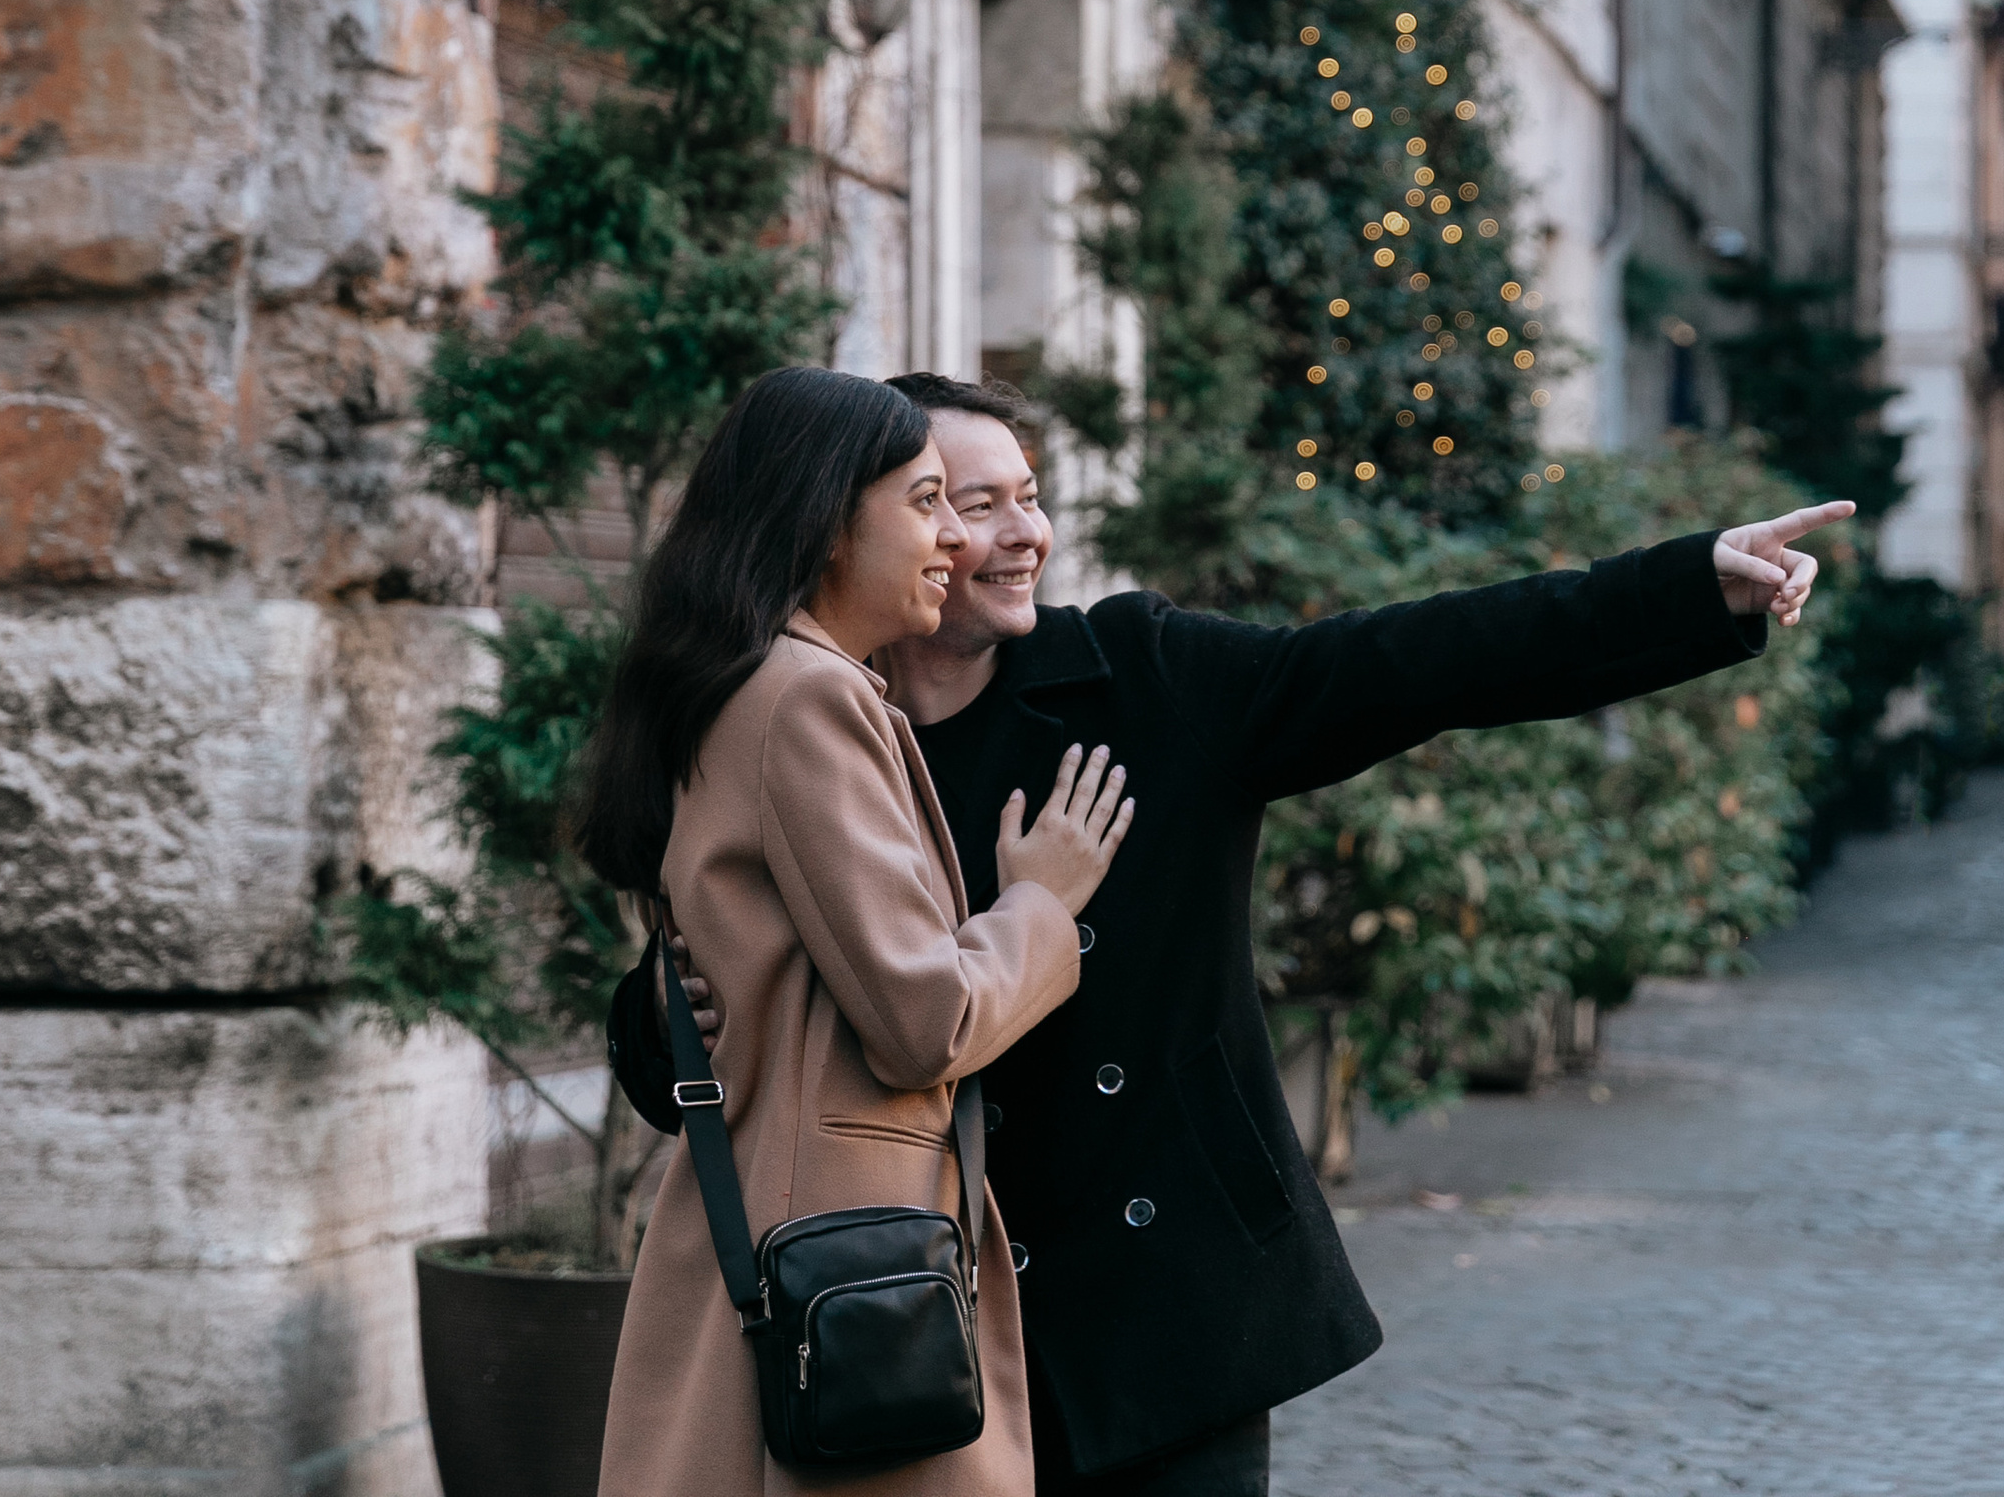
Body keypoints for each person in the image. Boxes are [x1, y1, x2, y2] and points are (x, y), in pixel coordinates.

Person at [613, 372, 1851, 1497]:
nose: (1004, 535)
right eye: (956, 501)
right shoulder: (821, 713)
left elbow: (1415, 663)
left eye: (1022, 500)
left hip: (1168, 1307)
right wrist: (669, 1015)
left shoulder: (1147, 680)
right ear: (857, 519)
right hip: (917, 1307)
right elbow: (723, 984)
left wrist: (1687, 588)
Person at [585, 366, 1137, 1497]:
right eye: (928, 502)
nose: (956, 540)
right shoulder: (808, 697)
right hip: (846, 1261)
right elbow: (922, 1022)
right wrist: (1041, 900)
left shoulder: (758, 681)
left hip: (785, 1226)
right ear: (830, 522)